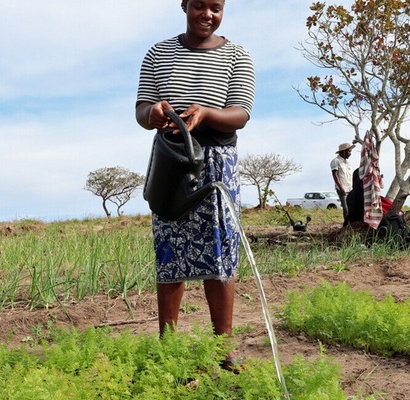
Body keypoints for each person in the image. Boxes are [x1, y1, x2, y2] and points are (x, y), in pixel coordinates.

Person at [135, 0, 255, 372]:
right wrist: (152, 112)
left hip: (218, 163)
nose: (207, 14)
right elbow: (141, 110)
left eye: (216, 7)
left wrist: (206, 113)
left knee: (220, 254)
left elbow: (240, 115)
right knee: (171, 251)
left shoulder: (238, 56)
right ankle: (167, 347)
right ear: (184, 5)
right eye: (199, 5)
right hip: (172, 164)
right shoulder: (158, 53)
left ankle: (224, 348)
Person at [330, 142, 355, 224]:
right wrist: (341, 188)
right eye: (349, 151)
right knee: (346, 208)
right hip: (342, 188)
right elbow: (335, 175)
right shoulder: (335, 161)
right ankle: (346, 225)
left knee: (352, 207)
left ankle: (351, 223)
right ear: (343, 151)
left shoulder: (348, 163)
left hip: (350, 188)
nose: (350, 153)